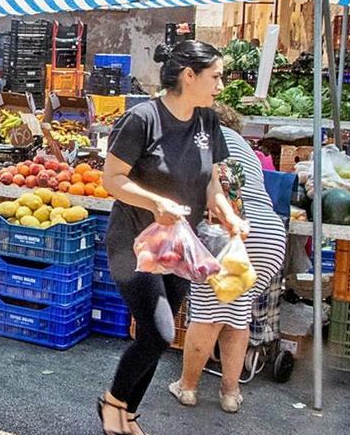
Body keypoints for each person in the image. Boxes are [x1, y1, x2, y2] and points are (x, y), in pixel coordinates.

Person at [97, 40, 247, 435]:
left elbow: (211, 181)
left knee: (155, 336)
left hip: (180, 245)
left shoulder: (208, 122)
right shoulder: (142, 118)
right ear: (189, 75)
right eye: (215, 76)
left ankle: (127, 414)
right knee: (161, 332)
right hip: (134, 243)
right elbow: (111, 180)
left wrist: (228, 213)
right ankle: (112, 402)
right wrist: (154, 202)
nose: (220, 84)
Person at [169, 103, 286, 413]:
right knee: (236, 313)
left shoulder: (200, 138)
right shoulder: (245, 147)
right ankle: (230, 394)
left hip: (227, 233)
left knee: (207, 314)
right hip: (270, 236)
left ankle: (188, 387)